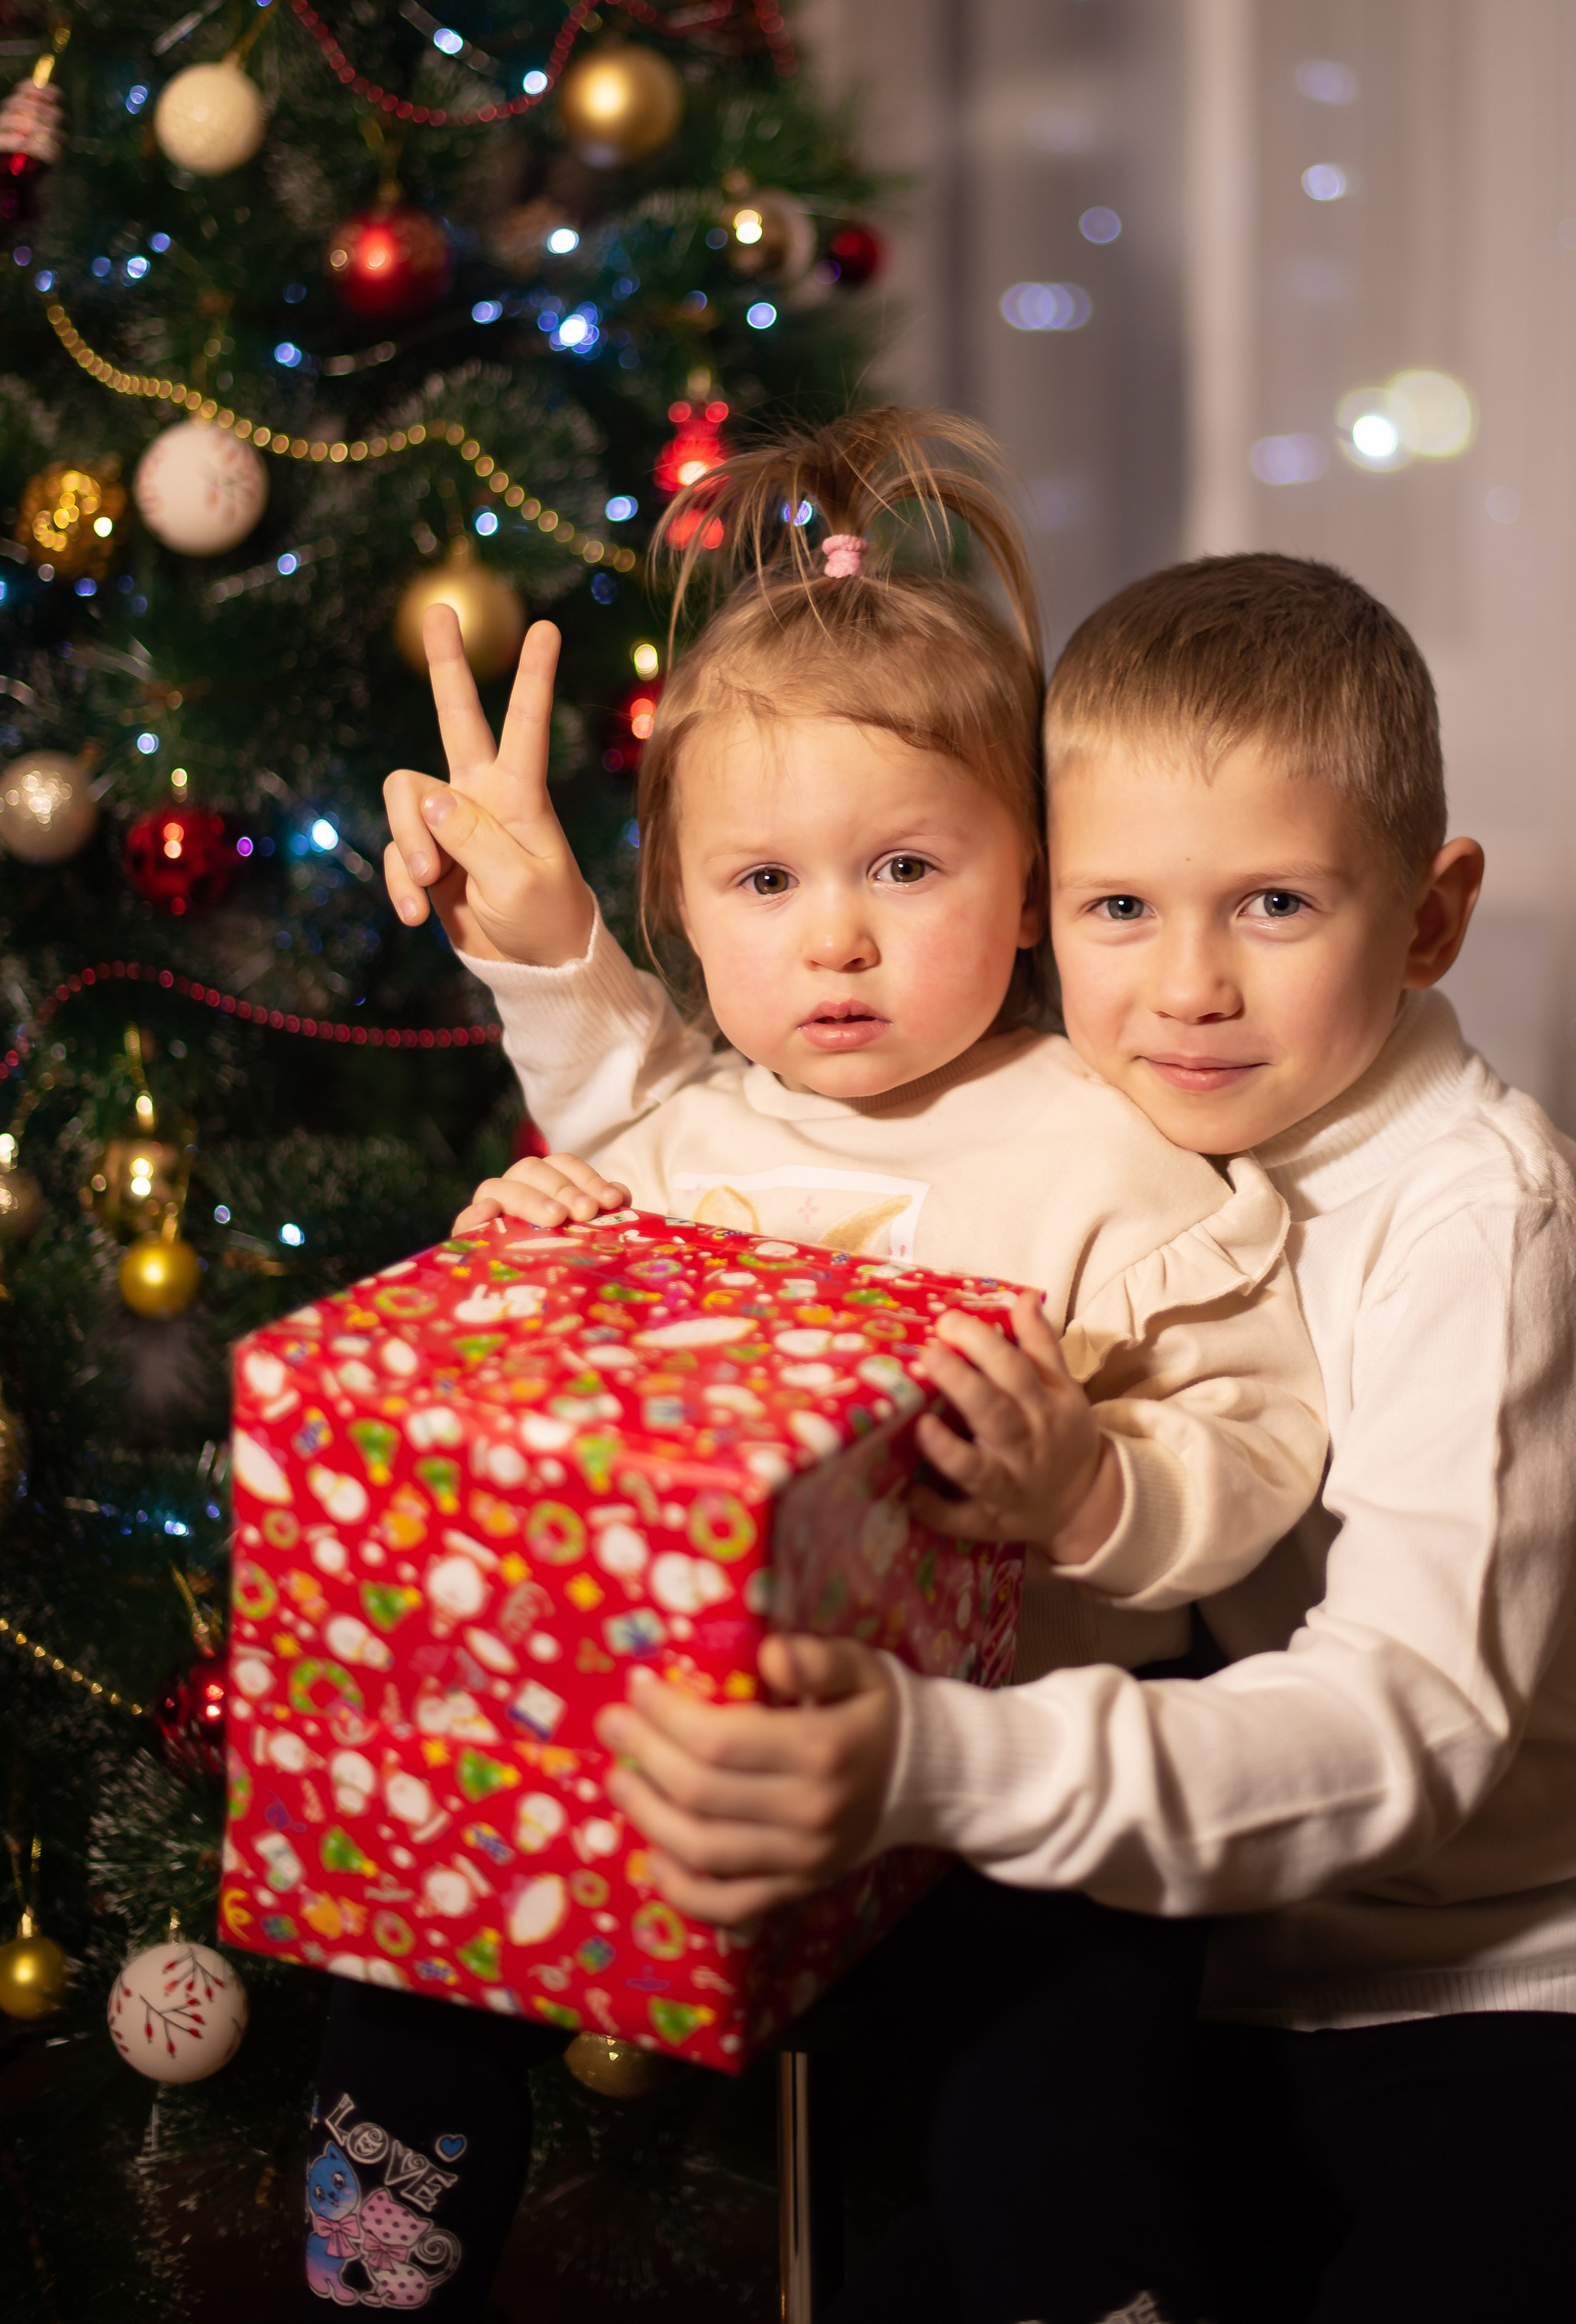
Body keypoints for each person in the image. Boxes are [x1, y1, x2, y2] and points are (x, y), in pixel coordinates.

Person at [589, 551, 1576, 2324]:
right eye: (1116, 909)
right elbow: (759, 1146)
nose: (1185, 990)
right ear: (1029, 902)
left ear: (1426, 915)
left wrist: (939, 1767)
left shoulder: (1481, 1226)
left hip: (1557, 1999)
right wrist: (554, 964)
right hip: (1214, 1987)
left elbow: (1406, 1725)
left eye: (1271, 906)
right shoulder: (1106, 1120)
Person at [311, 417, 1326, 2321]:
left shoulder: (1107, 1148)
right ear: (686, 914)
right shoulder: (693, 1134)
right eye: (762, 883)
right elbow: (607, 1142)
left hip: (1009, 1797)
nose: (836, 936)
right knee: (415, 1954)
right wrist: (534, 1265)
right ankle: (381, 2262)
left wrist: (1093, 1486)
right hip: (702, 1772)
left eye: (906, 865)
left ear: (1028, 884)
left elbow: (1259, 1439)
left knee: (1059, 2098)